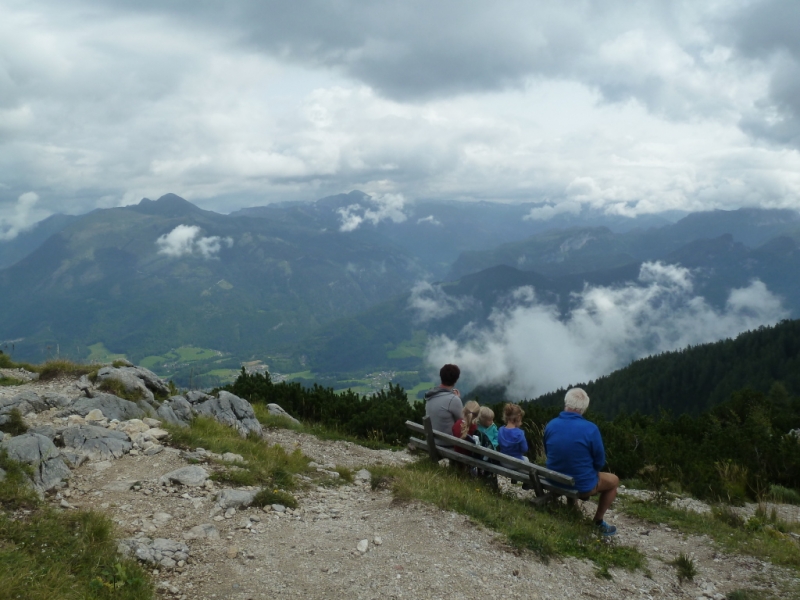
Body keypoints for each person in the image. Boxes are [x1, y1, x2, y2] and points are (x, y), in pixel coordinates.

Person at [543, 388, 620, 536]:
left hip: (553, 479)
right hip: (581, 485)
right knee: (614, 481)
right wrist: (593, 471)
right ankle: (598, 521)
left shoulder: (551, 424)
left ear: (566, 403)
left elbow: (548, 452)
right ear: (584, 408)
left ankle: (572, 505)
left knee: (569, 469)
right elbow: (599, 461)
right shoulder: (591, 429)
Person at [424, 364, 463, 446]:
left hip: (432, 442)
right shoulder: (453, 400)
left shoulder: (430, 395)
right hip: (447, 445)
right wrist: (457, 399)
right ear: (456, 380)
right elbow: (463, 422)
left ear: (441, 377)